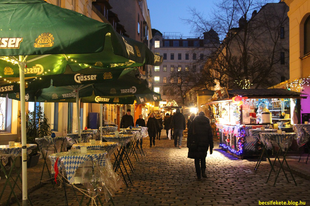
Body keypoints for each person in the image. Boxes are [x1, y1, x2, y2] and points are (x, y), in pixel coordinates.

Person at [187, 111, 214, 181]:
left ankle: (198, 174)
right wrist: (211, 146)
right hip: (204, 143)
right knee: (203, 157)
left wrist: (188, 144)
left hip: (196, 143)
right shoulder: (207, 124)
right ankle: (203, 172)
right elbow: (210, 136)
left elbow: (189, 134)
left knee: (196, 159)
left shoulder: (194, 123)